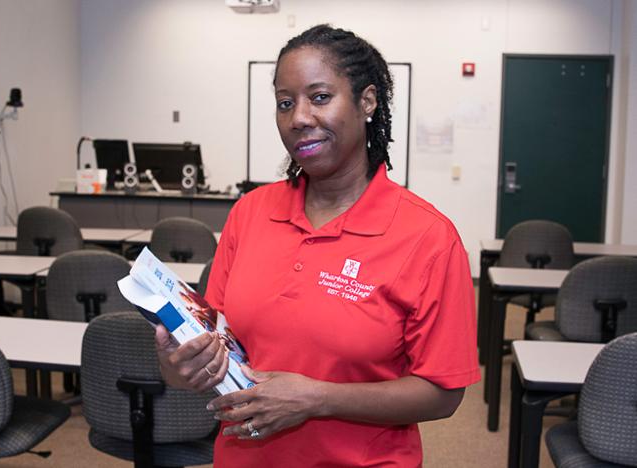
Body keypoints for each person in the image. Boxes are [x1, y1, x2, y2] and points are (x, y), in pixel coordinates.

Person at [155, 24, 480, 467]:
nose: (299, 118)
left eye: (320, 97)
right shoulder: (250, 213)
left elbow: (443, 393)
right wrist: (179, 362)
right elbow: (215, 349)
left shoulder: (428, 237)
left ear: (367, 101)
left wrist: (316, 399)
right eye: (285, 103)